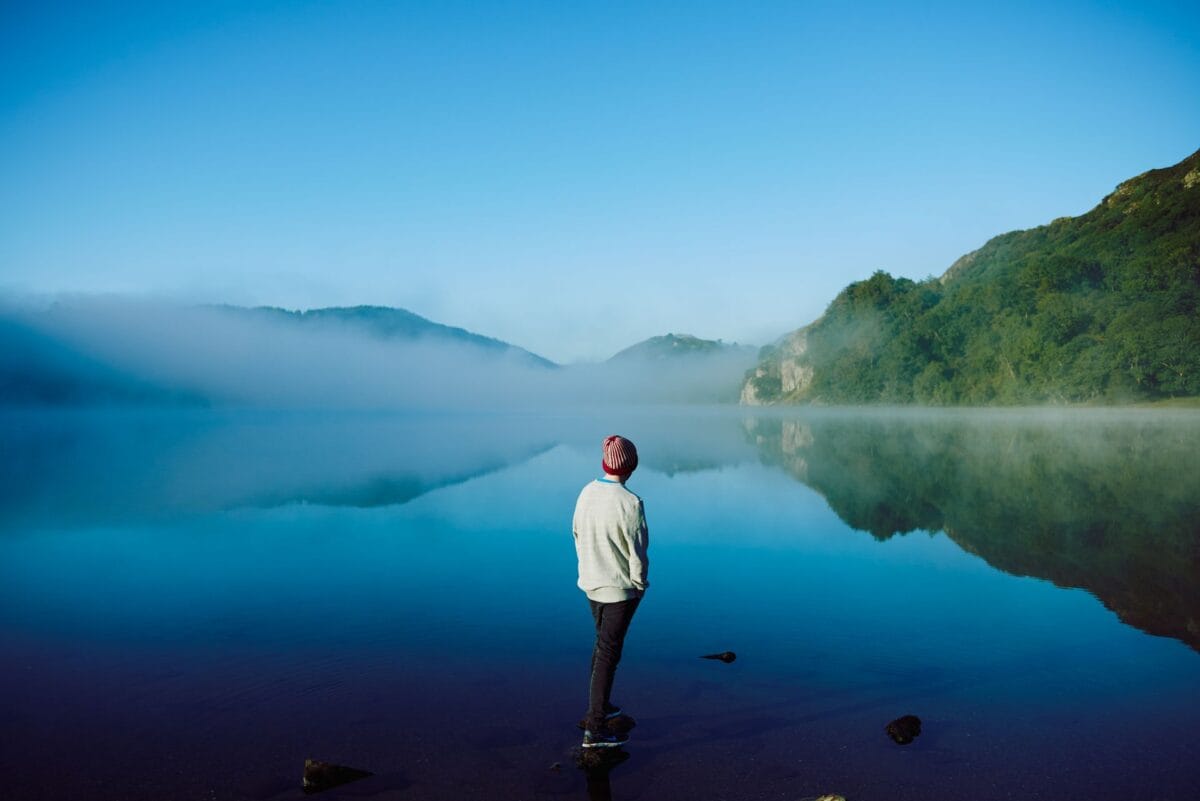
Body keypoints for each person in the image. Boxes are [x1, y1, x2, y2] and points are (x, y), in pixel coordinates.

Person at [573, 434, 649, 749]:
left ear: (605, 463)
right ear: (630, 466)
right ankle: (595, 730)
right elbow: (637, 551)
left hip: (591, 583)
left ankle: (599, 707)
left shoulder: (586, 492)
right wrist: (640, 584)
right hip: (619, 590)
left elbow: (576, 533)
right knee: (608, 653)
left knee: (602, 647)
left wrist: (587, 567)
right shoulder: (630, 503)